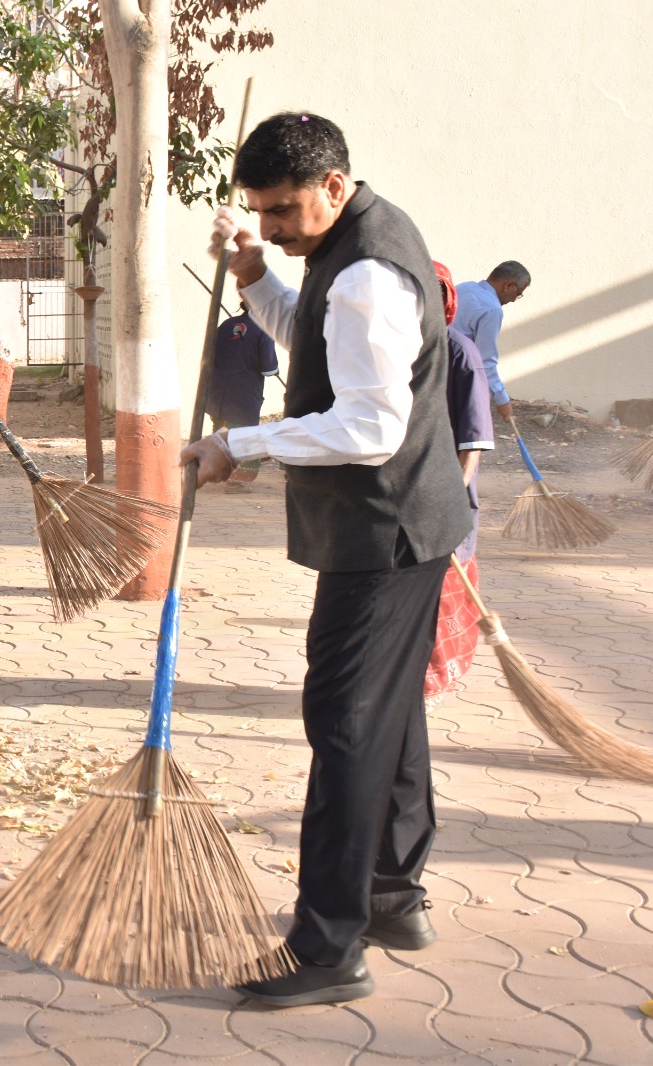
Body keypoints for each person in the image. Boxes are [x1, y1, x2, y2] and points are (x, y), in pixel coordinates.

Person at [183, 113, 472, 1006]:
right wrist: (252, 275)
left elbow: (368, 426)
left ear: (335, 187)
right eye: (257, 211)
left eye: (281, 211)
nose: (268, 224)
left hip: (381, 533)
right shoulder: (346, 254)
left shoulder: (369, 276)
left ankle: (327, 949)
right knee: (389, 717)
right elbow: (313, 342)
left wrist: (244, 442)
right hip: (407, 527)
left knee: (345, 727)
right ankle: (391, 894)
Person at [425, 261, 493, 699]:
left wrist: (449, 499)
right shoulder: (392, 348)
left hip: (444, 496)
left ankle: (433, 681)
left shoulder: (459, 352)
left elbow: (473, 440)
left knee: (443, 592)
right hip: (399, 500)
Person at [207, 300, 279, 486]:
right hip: (243, 396)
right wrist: (275, 370)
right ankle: (236, 480)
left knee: (221, 430)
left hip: (217, 393)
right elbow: (269, 369)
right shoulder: (263, 330)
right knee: (242, 434)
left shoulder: (225, 325)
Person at [452, 261, 530, 425]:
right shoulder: (492, 310)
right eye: (519, 293)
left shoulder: (465, 287)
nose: (515, 300)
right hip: (454, 376)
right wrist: (502, 400)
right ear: (509, 285)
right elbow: (485, 361)